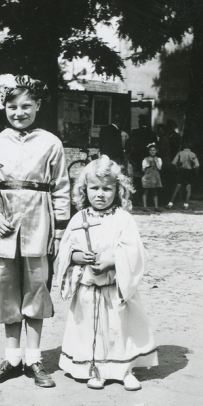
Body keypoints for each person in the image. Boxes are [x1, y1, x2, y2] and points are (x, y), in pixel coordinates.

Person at [0, 74, 71, 388]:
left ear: (38, 105)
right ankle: (12, 359)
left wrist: (58, 233)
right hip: (2, 233)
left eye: (26, 105)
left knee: (36, 293)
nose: (19, 112)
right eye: (12, 106)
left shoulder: (51, 143)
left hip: (40, 229)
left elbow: (62, 190)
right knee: (6, 294)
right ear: (4, 107)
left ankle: (34, 359)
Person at [57, 155, 157, 391]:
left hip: (115, 289)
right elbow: (65, 251)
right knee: (91, 331)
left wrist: (113, 261)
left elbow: (136, 252)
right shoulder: (78, 219)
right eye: (94, 188)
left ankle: (124, 370)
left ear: (118, 190)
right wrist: (78, 257)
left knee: (118, 329)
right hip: (88, 289)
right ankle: (96, 370)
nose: (100, 194)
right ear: (84, 190)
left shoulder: (123, 219)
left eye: (107, 188)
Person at [166, 141, 200, 210]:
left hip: (181, 171)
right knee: (188, 187)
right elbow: (197, 165)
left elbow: (173, 163)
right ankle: (186, 205)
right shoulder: (193, 154)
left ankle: (170, 204)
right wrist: (195, 171)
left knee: (178, 187)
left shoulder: (180, 153)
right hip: (189, 171)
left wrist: (177, 169)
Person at [141, 143, 162, 211]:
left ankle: (156, 207)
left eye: (154, 150)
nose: (152, 151)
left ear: (156, 151)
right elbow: (143, 169)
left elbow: (159, 168)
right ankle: (145, 206)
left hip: (155, 176)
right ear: (148, 151)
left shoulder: (158, 159)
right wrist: (148, 165)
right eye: (151, 150)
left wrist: (156, 162)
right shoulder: (145, 159)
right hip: (148, 176)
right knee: (145, 191)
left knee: (155, 191)